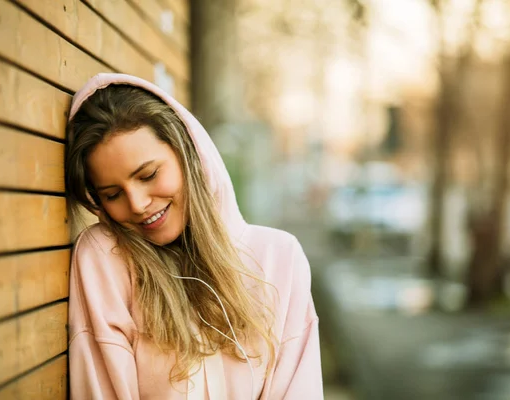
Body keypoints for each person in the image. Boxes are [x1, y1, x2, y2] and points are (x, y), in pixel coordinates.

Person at [65, 73, 323, 399]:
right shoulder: (105, 257)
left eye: (148, 175)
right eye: (113, 194)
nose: (138, 204)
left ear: (188, 155)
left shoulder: (279, 257)